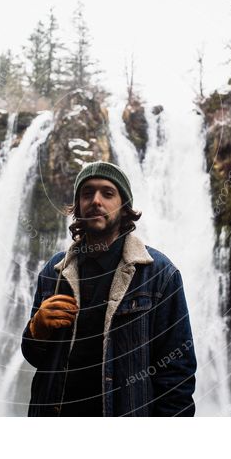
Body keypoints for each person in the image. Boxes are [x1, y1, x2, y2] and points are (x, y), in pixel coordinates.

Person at [21, 160, 196, 416]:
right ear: (78, 206)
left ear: (125, 207)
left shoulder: (159, 274)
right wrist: (36, 330)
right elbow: (36, 358)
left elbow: (177, 373)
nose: (96, 201)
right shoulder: (54, 272)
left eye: (107, 193)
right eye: (87, 193)